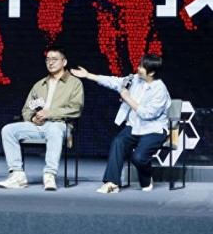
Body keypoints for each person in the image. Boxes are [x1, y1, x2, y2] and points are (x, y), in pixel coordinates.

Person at [70, 53, 171, 193]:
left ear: (152, 72)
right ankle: (112, 183)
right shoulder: (135, 79)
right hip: (134, 126)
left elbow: (147, 114)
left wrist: (127, 97)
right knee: (118, 141)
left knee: (139, 158)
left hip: (154, 129)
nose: (138, 68)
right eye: (139, 65)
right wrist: (88, 75)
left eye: (142, 67)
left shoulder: (160, 89)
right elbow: (113, 82)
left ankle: (147, 178)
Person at [0, 46, 84, 191]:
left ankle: (49, 174)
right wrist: (33, 118)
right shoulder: (39, 85)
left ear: (64, 62)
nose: (50, 62)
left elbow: (76, 109)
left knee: (54, 129)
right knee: (8, 130)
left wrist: (50, 113)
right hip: (38, 126)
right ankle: (17, 175)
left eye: (54, 59)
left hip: (60, 125)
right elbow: (26, 109)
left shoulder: (74, 83)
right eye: (48, 59)